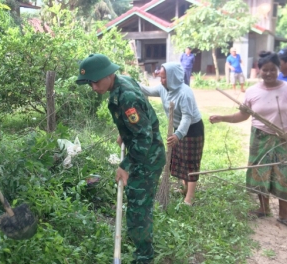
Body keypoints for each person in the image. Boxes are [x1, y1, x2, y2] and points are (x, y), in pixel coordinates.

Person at [76, 54, 165, 264]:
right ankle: (141, 247)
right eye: (90, 83)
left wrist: (125, 166)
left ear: (108, 75)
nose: (93, 87)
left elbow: (144, 137)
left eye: (95, 81)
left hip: (146, 159)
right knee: (136, 206)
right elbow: (141, 121)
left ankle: (144, 257)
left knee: (138, 211)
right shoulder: (121, 81)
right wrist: (125, 131)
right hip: (141, 153)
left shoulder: (127, 98)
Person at [209, 51, 287, 229]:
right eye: (265, 70)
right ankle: (263, 208)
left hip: (285, 139)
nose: (268, 73)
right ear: (259, 70)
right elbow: (243, 115)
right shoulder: (252, 91)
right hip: (260, 138)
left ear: (278, 69)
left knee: (284, 175)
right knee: (260, 173)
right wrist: (222, 117)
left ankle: (284, 213)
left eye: (272, 70)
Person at [140, 62, 204, 206]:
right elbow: (147, 90)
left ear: (173, 77)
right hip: (178, 129)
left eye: (164, 78)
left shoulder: (185, 93)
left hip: (193, 129)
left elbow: (187, 117)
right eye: (160, 77)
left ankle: (190, 197)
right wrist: (129, 82)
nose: (161, 81)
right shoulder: (164, 89)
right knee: (180, 159)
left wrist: (178, 135)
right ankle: (185, 188)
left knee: (191, 162)